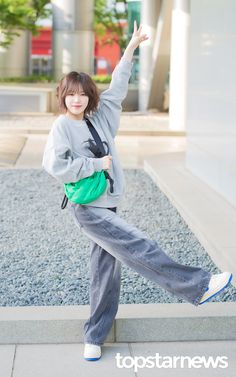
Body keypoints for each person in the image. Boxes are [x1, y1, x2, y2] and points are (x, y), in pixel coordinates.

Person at [42, 21, 233, 361]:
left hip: (109, 204)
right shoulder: (62, 126)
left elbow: (118, 84)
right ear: (63, 96)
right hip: (88, 208)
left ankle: (95, 336)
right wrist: (93, 166)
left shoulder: (100, 116)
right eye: (70, 94)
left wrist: (130, 48)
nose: (76, 99)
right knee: (139, 246)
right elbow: (54, 166)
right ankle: (199, 286)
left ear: (89, 96)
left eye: (82, 93)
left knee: (105, 270)